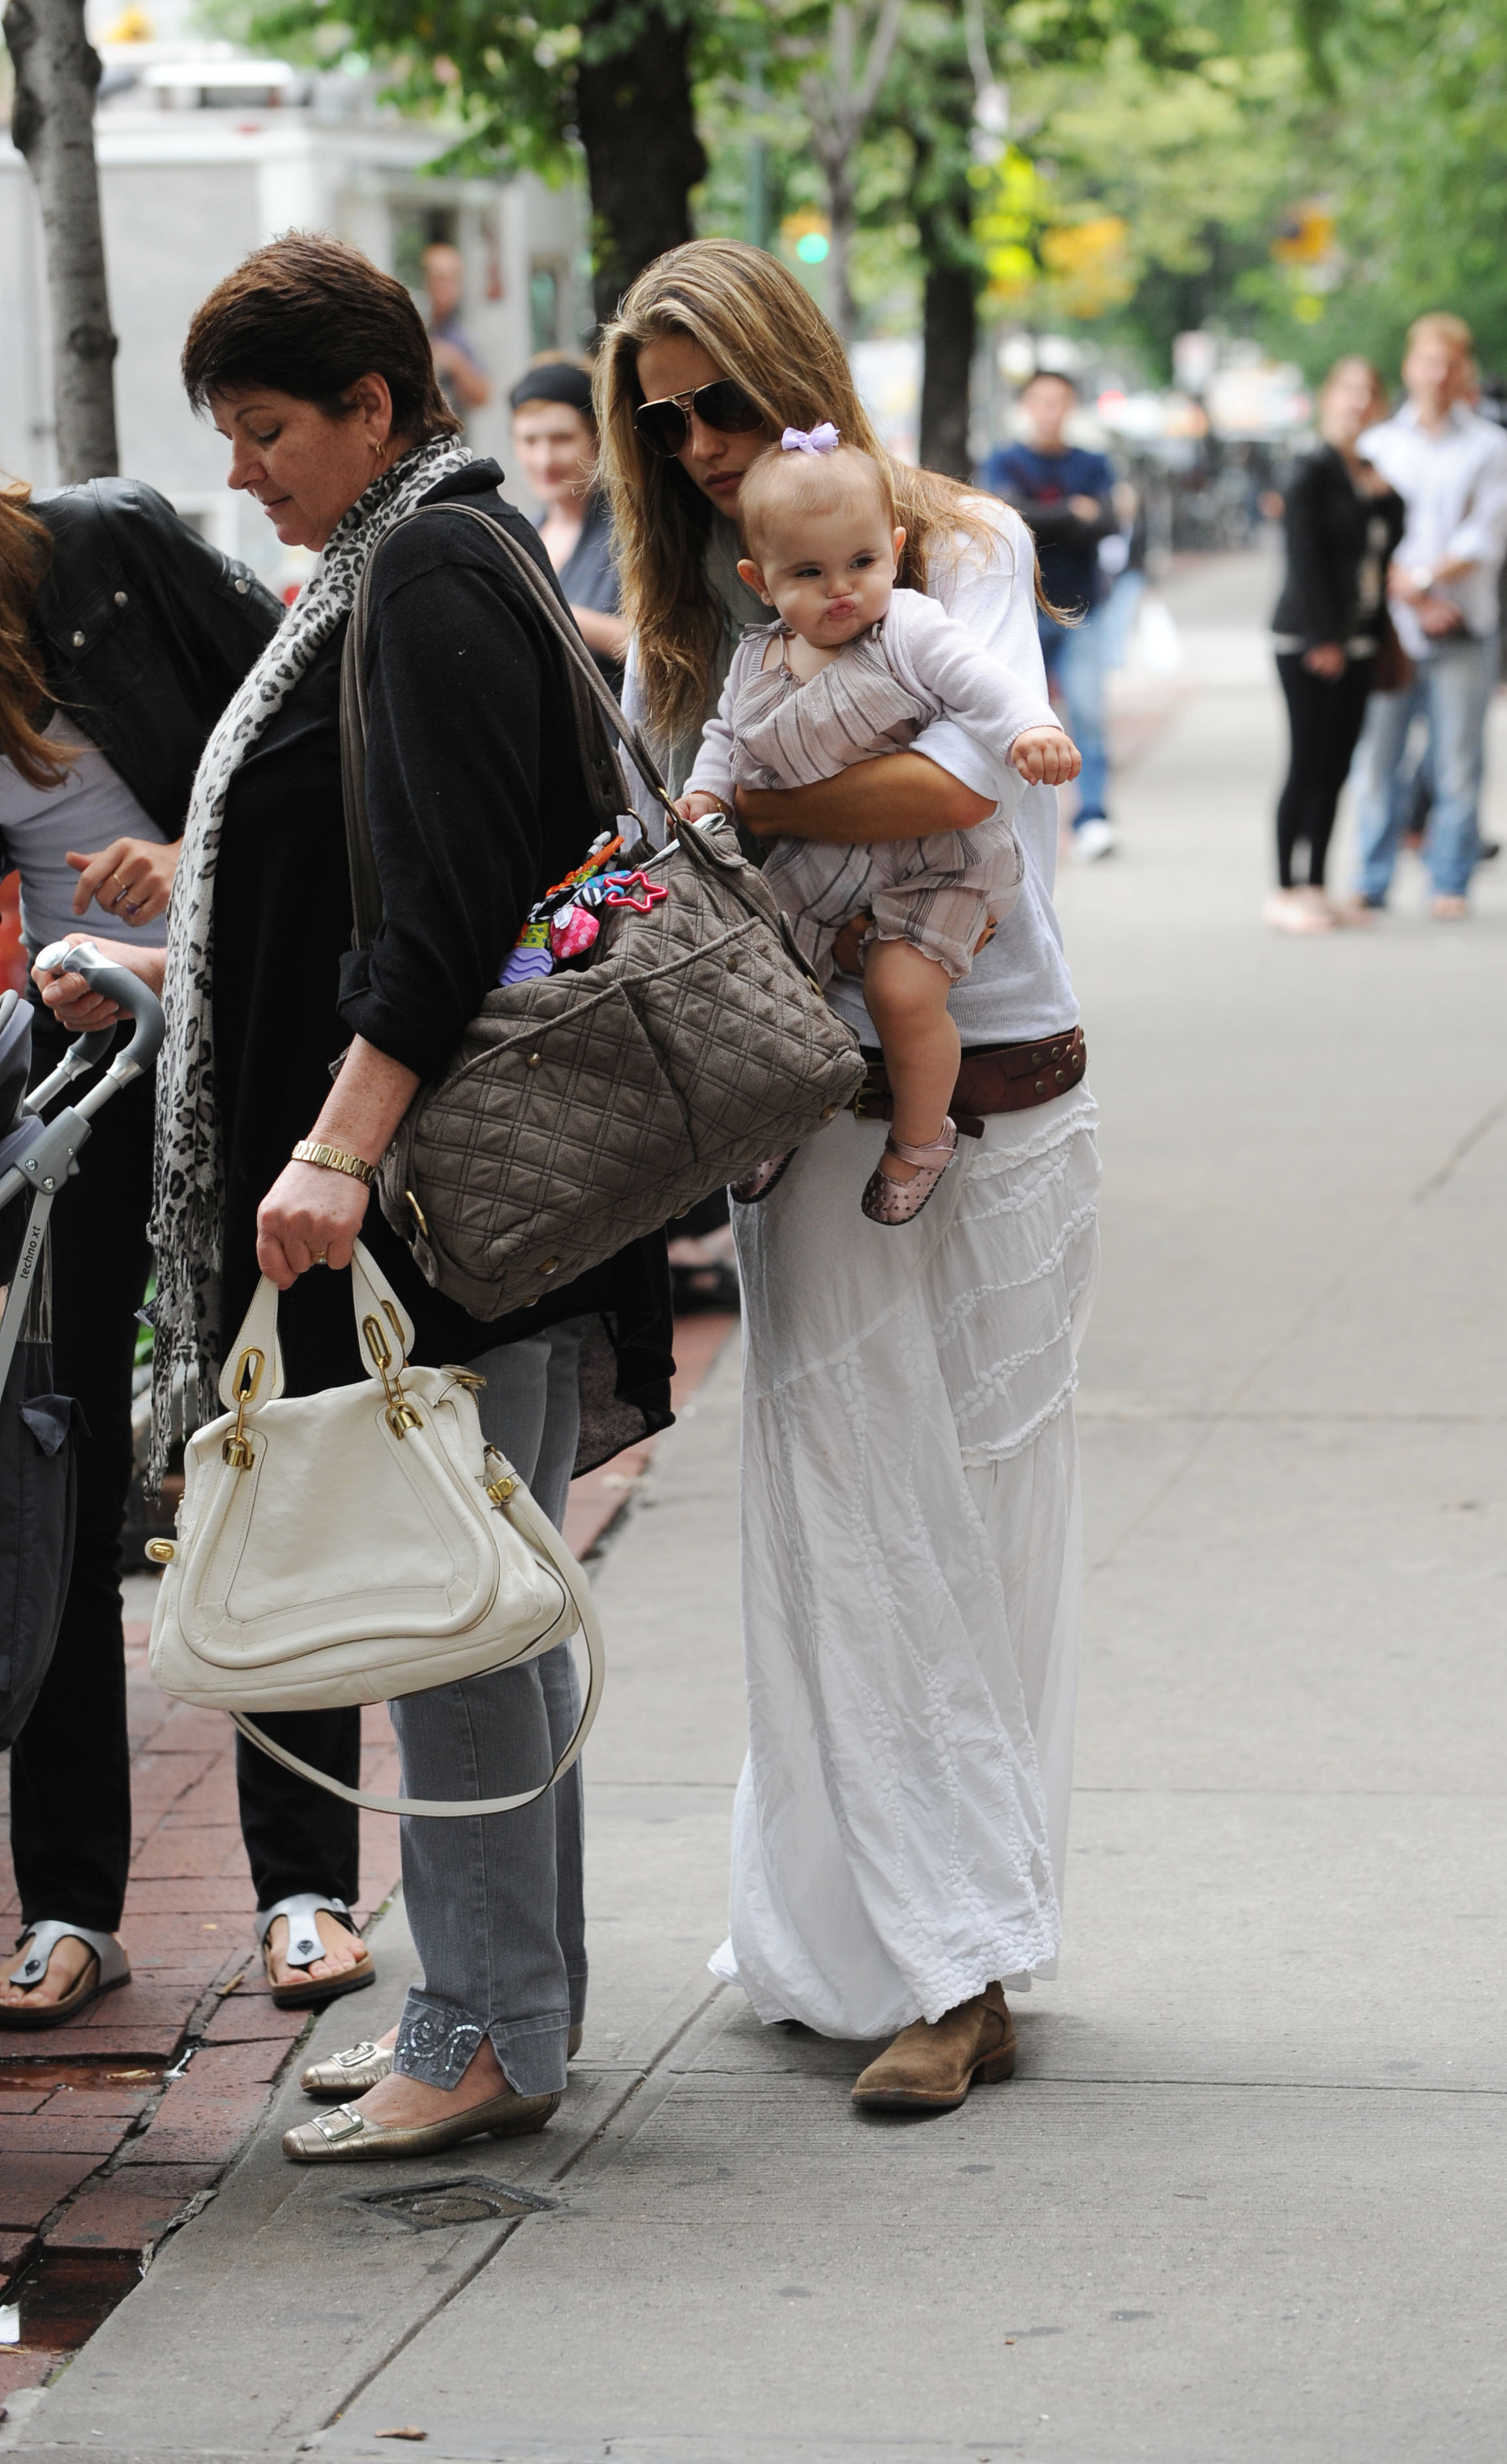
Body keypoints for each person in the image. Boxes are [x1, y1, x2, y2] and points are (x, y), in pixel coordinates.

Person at [37, 232, 673, 2159]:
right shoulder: (427, 556)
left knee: (447, 1619)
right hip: (464, 1191)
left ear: (372, 407)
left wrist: (335, 1141)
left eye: (266, 430)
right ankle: (508, 2006)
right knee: (491, 1606)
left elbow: (451, 905)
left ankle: (481, 2024)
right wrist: (180, 970)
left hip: (427, 1199)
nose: (240, 473)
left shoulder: (424, 570)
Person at [600, 239, 1100, 2113]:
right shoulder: (704, 604)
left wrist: (744, 792)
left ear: (790, 364)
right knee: (847, 1516)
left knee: (982, 1518)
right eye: (664, 421)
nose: (698, 444)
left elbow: (963, 787)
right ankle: (901, 1950)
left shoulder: (960, 544)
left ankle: (970, 1941)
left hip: (1007, 1081)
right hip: (802, 1102)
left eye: (718, 400)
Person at [0, 477, 343, 2024]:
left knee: (268, 1444)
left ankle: (304, 1887)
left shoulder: (102, 550)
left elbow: (322, 758)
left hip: (247, 1049)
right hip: (74, 1085)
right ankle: (71, 1905)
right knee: (54, 1467)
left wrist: (186, 858)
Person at [677, 428, 1076, 1222]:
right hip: (821, 860)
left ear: (894, 550)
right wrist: (705, 794)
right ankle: (775, 1112)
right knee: (766, 979)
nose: (841, 590)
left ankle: (922, 1137)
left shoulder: (911, 628)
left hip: (939, 857)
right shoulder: (756, 660)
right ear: (760, 582)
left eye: (861, 563)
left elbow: (981, 683)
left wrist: (1030, 728)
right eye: (808, 573)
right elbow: (726, 735)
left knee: (902, 988)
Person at [1347, 311, 1507, 919]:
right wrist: (1412, 594)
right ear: (1409, 368)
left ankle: (1450, 880)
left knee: (1457, 761)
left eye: (1450, 363)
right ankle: (1371, 878)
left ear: (1465, 371)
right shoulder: (1380, 446)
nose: (1438, 375)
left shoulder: (1491, 447)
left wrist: (1421, 581)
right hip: (1392, 629)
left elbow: (1484, 538)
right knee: (1377, 760)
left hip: (1464, 625)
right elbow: (1364, 540)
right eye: (1428, 361)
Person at [1266, 359, 1405, 935]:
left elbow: (1387, 540)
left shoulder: (1365, 472)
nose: (1358, 402)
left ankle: (1317, 885)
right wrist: (1323, 637)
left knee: (1338, 765)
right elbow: (1303, 555)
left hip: (1361, 640)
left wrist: (1384, 497)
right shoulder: (1311, 468)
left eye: (1369, 393)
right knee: (1307, 761)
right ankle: (1284, 889)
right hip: (1308, 641)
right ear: (1328, 398)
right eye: (1349, 391)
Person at [983, 371, 1118, 863]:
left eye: (1060, 401)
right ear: (1026, 406)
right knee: (1018, 718)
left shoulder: (1093, 463)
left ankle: (1094, 816)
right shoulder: (1004, 460)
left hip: (1081, 610)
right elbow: (1006, 517)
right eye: (1041, 401)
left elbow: (1109, 521)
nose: (1050, 411)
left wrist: (1048, 517)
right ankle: (1012, 823)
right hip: (1022, 610)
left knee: (1087, 713)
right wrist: (1074, 512)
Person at [509, 356, 627, 690]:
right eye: (530, 441)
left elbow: (655, 648)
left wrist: (552, 614)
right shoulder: (521, 533)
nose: (544, 460)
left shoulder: (629, 530)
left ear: (597, 438)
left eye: (562, 438)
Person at [423, 241, 491, 423]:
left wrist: (454, 362)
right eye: (438, 278)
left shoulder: (465, 333)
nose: (443, 287)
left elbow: (483, 395)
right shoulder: (415, 323)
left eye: (450, 280)